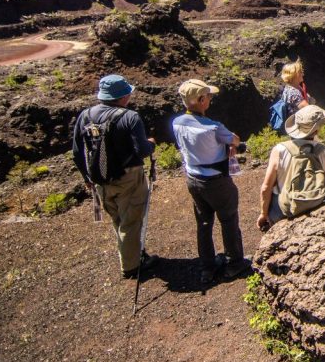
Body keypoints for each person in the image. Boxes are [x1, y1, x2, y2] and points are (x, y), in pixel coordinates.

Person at [72, 74, 157, 278]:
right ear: (123, 96)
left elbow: (77, 152)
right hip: (129, 177)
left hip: (101, 180)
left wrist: (87, 178)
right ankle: (131, 266)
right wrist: (151, 143)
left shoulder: (85, 116)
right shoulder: (130, 117)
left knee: (118, 219)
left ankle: (132, 254)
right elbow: (142, 150)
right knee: (131, 220)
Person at [172, 79, 251, 284]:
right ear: (200, 100)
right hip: (216, 181)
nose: (210, 99)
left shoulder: (177, 122)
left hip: (193, 179)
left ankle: (207, 267)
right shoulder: (213, 127)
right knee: (228, 219)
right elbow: (235, 140)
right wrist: (231, 144)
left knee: (204, 223)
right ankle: (235, 262)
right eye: (208, 96)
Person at [258, 105, 325, 230]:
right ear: (316, 130)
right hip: (315, 203)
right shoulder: (323, 151)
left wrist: (263, 214)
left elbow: (266, 187)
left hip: (284, 208)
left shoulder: (279, 149)